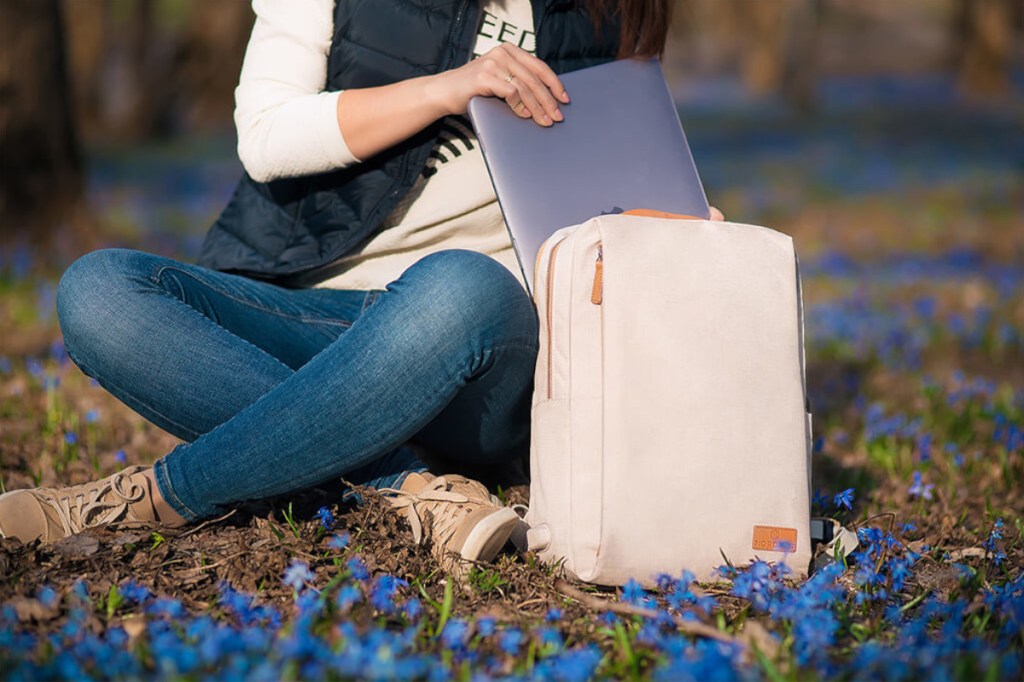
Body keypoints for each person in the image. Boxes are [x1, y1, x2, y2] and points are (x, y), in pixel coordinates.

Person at [0, 0, 709, 571]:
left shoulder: (610, 11)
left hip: (483, 346)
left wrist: (673, 225)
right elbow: (267, 134)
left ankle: (159, 496)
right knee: (99, 289)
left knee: (464, 284)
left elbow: (624, 177)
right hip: (319, 317)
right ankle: (402, 485)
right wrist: (446, 89)